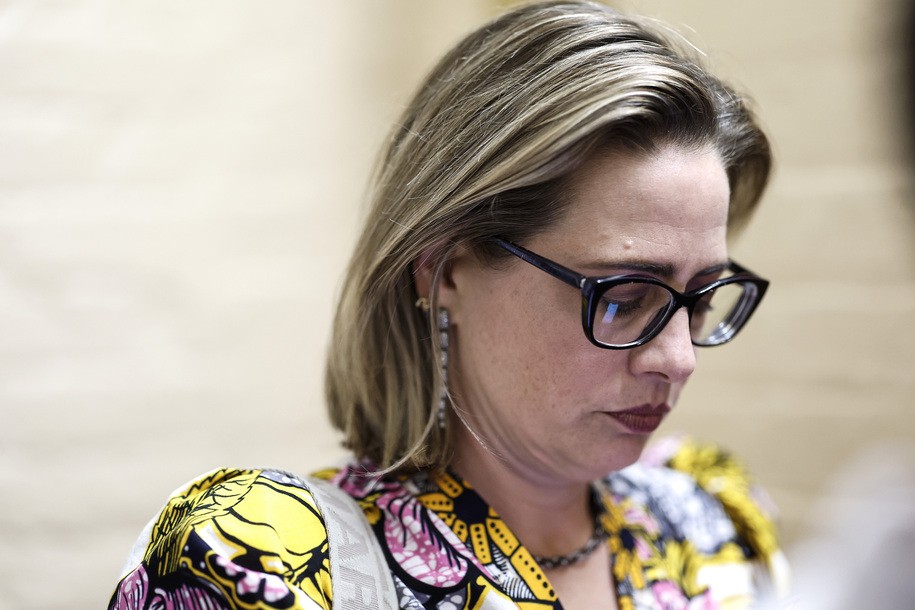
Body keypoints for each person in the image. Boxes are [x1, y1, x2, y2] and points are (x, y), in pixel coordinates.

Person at [109, 2, 788, 608]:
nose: (678, 359)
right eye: (624, 297)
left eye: (698, 300)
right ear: (448, 269)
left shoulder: (706, 522)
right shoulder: (264, 565)